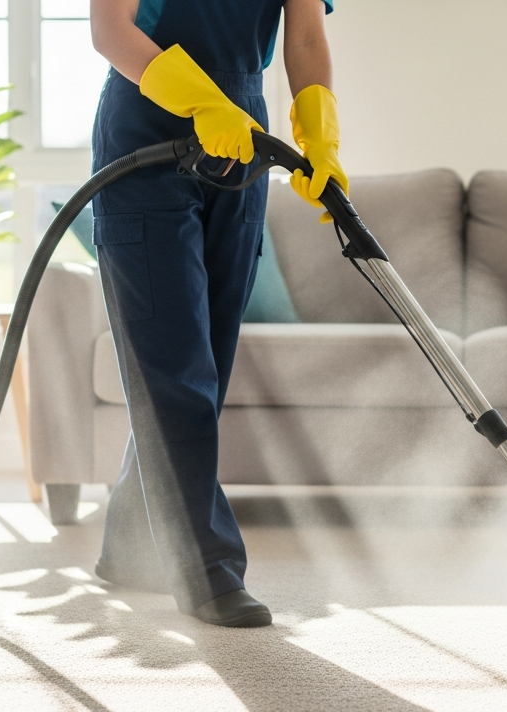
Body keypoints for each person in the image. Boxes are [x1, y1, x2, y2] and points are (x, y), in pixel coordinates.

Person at [88, 0, 347, 627]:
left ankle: (132, 544)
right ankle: (205, 568)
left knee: (205, 356)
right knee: (176, 362)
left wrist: (320, 135)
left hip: (243, 134)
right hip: (147, 128)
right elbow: (109, 29)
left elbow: (306, 36)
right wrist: (200, 102)